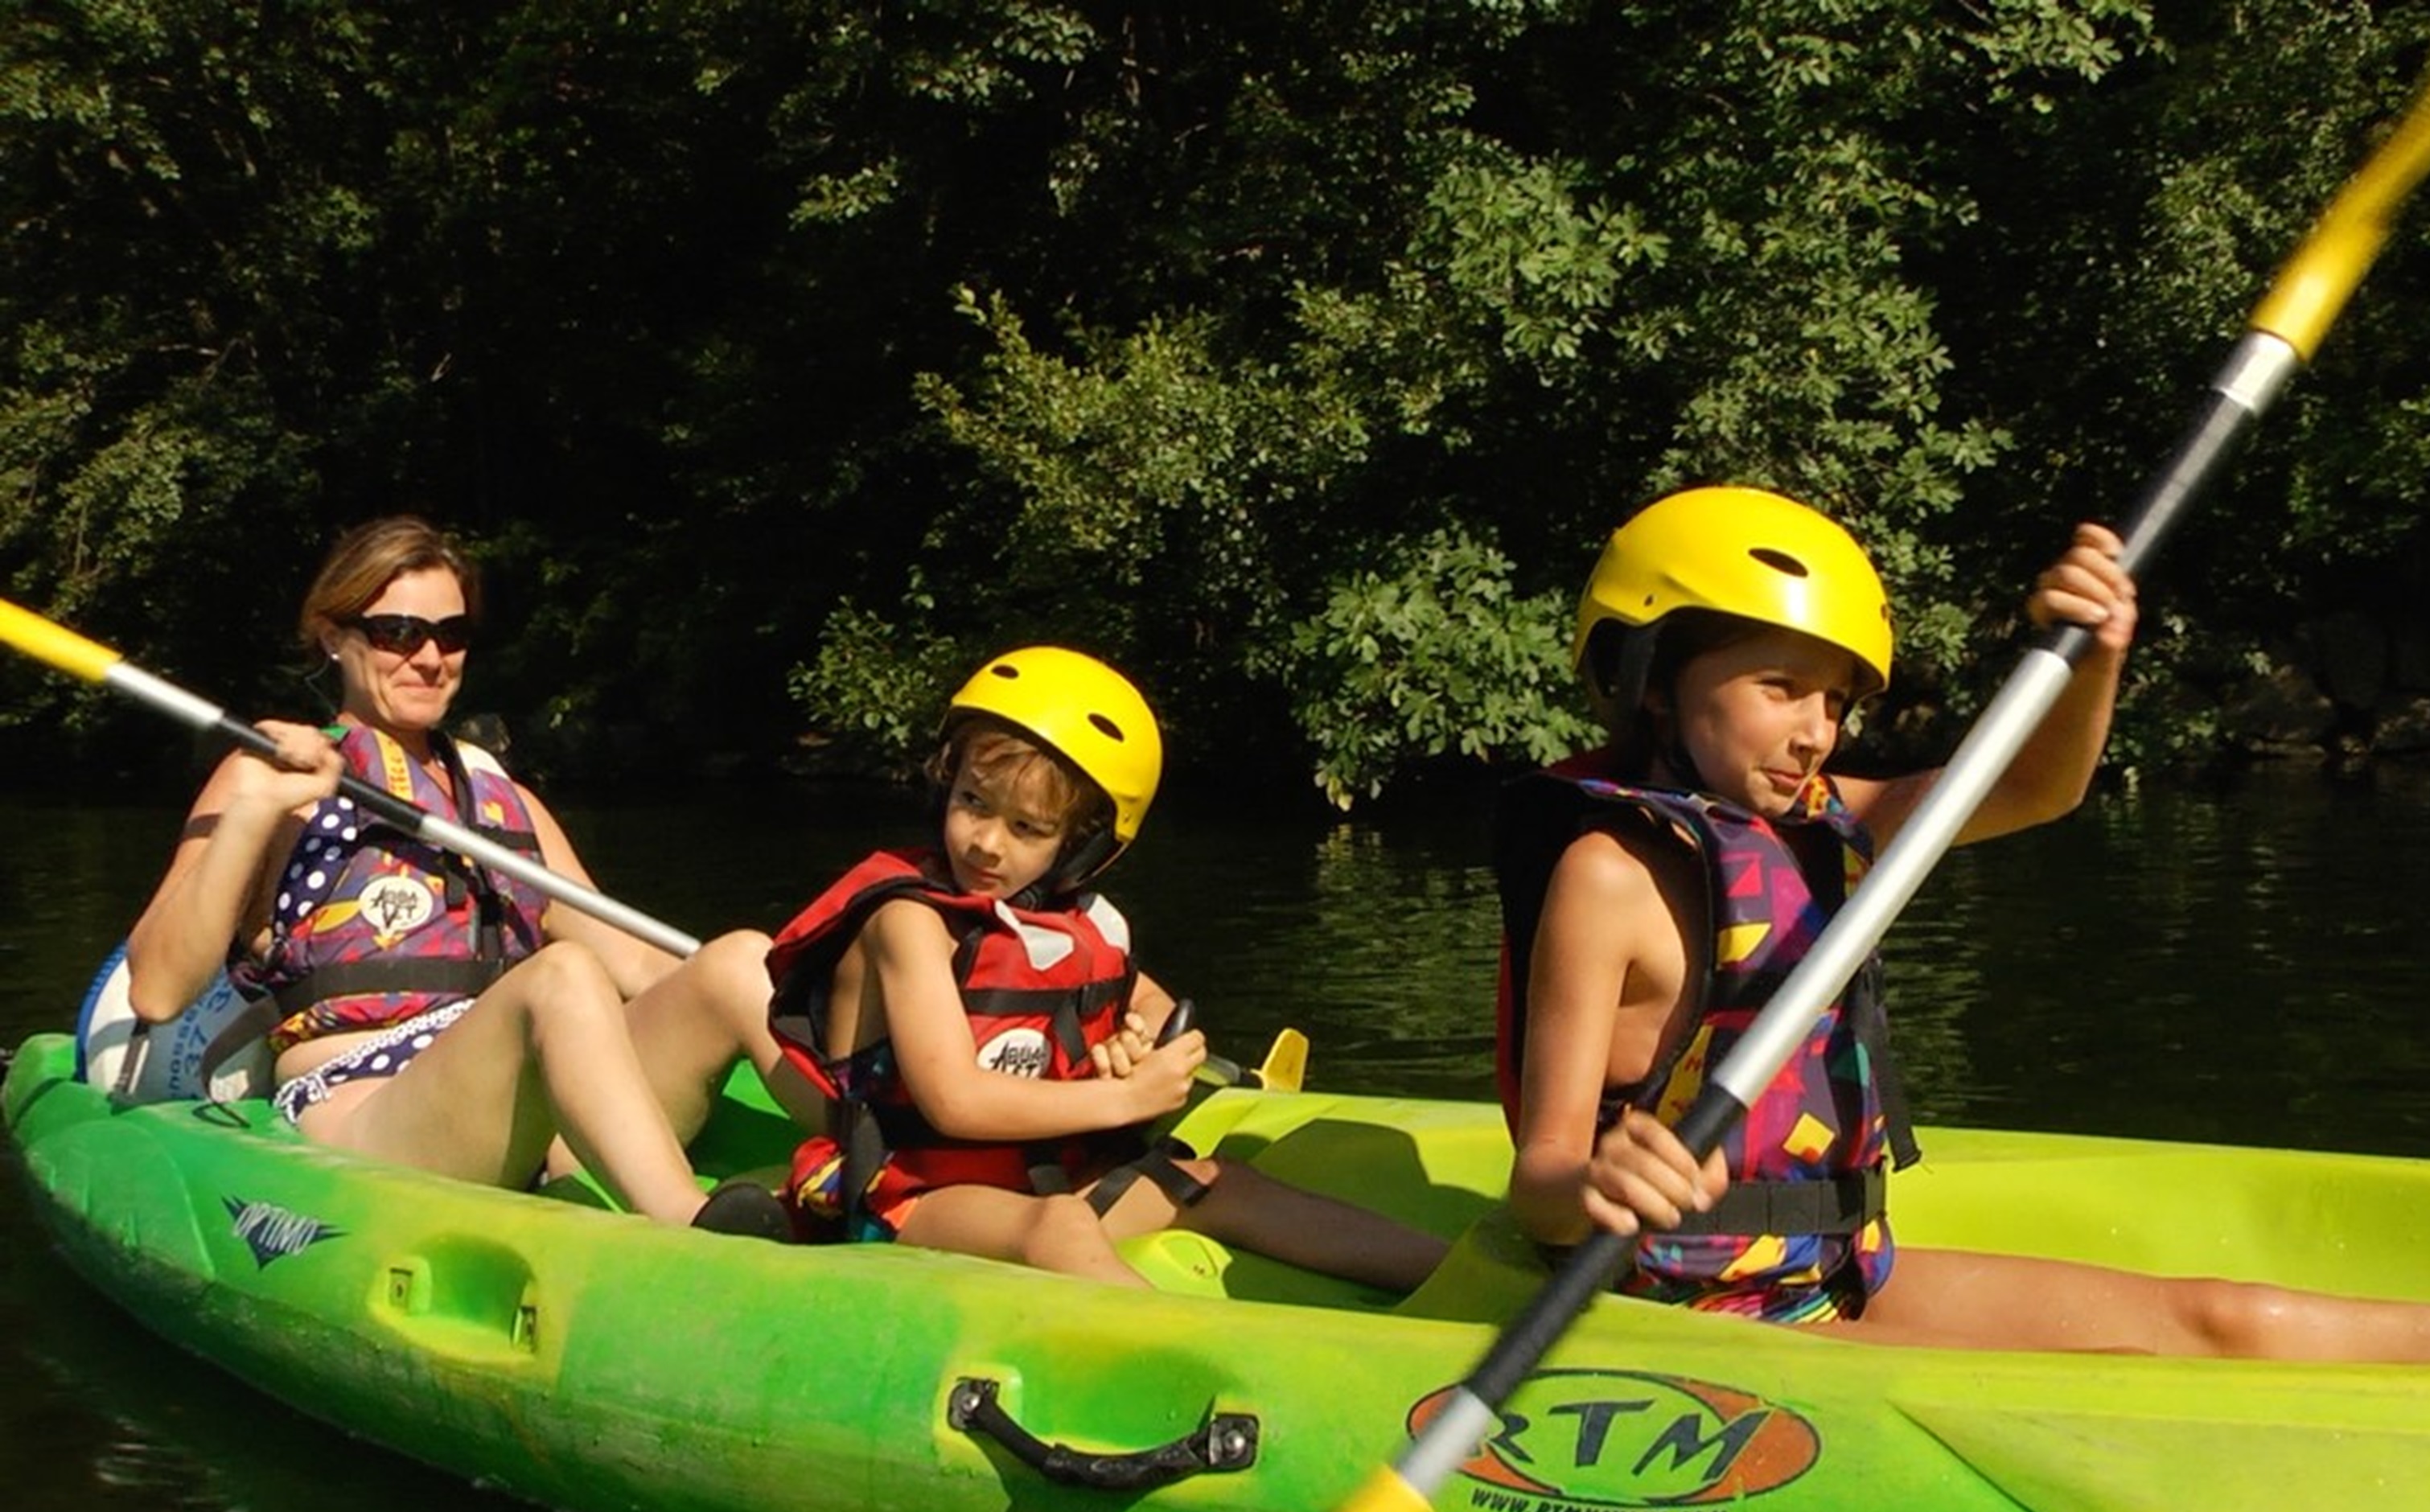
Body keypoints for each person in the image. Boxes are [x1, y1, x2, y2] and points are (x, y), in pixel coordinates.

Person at [1495, 485, 2430, 1366]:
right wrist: (1600, 1184)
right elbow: (1543, 1180)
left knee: (2221, 1322)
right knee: (2202, 1343)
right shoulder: (1609, 875)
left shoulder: (1843, 823)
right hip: (1675, 1310)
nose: (1815, 731)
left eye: (1832, 699)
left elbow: (2038, 786)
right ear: (1652, 676)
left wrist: (2090, 658)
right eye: (1778, 688)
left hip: (1835, 1275)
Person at [123, 515, 787, 1236]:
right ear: (335, 637)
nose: (431, 657)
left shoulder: (499, 796)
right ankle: (694, 1226)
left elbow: (634, 961)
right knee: (560, 977)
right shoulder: (270, 774)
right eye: (399, 633)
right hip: (372, 1101)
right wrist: (254, 809)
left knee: (740, 958)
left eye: (452, 634)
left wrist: (801, 985)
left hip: (529, 1104)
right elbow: (158, 988)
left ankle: (890, 1147)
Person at [764, 644, 1446, 1291]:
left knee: (1216, 1181)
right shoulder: (909, 923)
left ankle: (1459, 1279)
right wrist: (1122, 1099)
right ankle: (1193, 1359)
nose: (986, 843)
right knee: (1056, 1226)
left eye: (1028, 829)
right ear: (946, 783)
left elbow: (1150, 1003)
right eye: (973, 802)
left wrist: (1143, 1042)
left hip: (1040, 1176)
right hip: (910, 1197)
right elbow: (954, 1100)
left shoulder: (1077, 923)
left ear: (1081, 845)